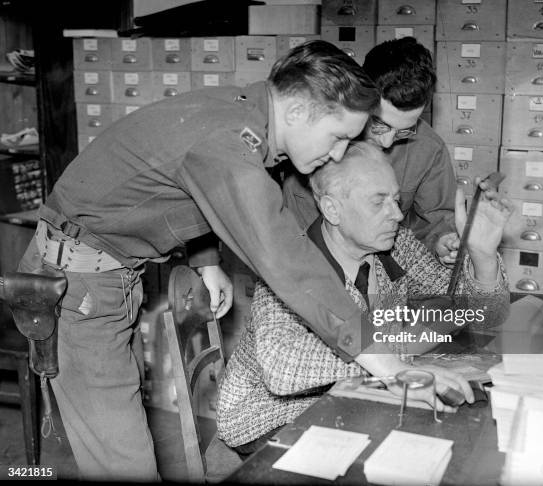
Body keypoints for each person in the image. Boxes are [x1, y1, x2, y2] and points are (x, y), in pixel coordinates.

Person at [17, 41, 381, 481]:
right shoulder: (228, 139)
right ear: (299, 111)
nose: (339, 153)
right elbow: (283, 252)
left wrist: (206, 260)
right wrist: (376, 350)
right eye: (339, 136)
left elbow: (187, 185)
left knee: (118, 439)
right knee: (123, 463)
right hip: (79, 286)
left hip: (107, 276)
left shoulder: (242, 113)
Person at [216, 141, 512, 456]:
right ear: (332, 209)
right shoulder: (289, 265)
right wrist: (399, 352)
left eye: (397, 200)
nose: (397, 214)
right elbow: (283, 371)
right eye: (378, 202)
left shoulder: (395, 245)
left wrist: (483, 258)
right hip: (269, 418)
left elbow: (483, 315)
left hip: (353, 398)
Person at [283, 36, 460, 265]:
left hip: (383, 271)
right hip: (312, 269)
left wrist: (442, 241)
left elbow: (435, 219)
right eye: (378, 124)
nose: (387, 142)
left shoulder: (428, 149)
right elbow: (290, 233)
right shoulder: (319, 140)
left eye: (403, 131)